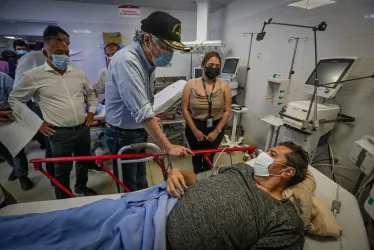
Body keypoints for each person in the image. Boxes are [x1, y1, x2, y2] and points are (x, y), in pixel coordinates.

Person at [105, 11, 193, 192]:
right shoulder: (127, 61)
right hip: (122, 134)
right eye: (167, 47)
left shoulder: (148, 61)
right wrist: (168, 146)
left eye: (172, 49)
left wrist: (152, 118)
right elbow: (142, 111)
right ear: (147, 40)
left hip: (137, 129)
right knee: (128, 185)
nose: (170, 53)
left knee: (140, 179)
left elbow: (144, 103)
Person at [9, 25, 99, 199]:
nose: (64, 53)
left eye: (66, 49)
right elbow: (14, 99)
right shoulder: (34, 76)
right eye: (58, 51)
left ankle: (81, 186)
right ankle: (64, 198)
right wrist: (36, 123)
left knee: (84, 163)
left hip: (82, 129)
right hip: (59, 133)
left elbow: (92, 94)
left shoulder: (78, 74)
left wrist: (92, 111)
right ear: (45, 53)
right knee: (62, 170)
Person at [166, 141, 309, 249]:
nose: (262, 155)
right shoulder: (242, 169)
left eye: (272, 154)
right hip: (159, 209)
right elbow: (194, 178)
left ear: (287, 172)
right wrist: (177, 172)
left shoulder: (286, 222)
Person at [182, 51, 232, 174]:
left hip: (216, 126)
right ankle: (197, 181)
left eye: (217, 66)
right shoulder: (191, 84)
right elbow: (185, 109)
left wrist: (216, 131)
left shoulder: (224, 86)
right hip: (195, 126)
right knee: (197, 157)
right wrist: (195, 131)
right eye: (211, 65)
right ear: (203, 65)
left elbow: (227, 110)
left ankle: (207, 184)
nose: (214, 68)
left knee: (209, 157)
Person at [0, 72, 33, 190]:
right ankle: (15, 168)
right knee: (3, 152)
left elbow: (16, 97)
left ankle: (22, 175)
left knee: (16, 148)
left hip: (8, 115)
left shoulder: (3, 77)